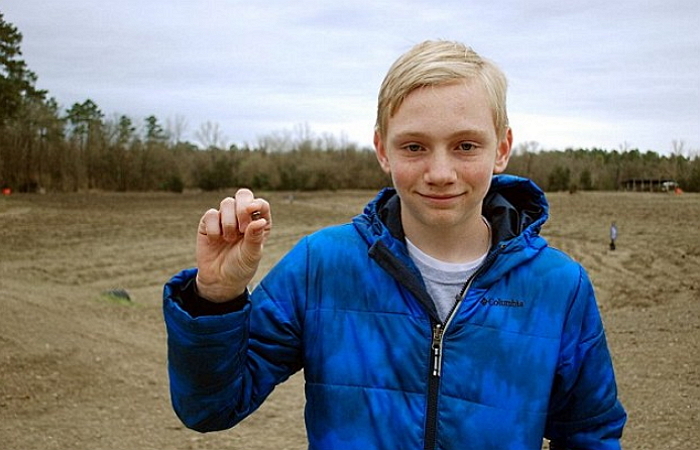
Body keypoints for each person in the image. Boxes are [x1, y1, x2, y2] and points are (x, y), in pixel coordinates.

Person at [163, 40, 626, 449]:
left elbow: (589, 433)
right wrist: (217, 298)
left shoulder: (559, 287)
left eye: (466, 146)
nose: (440, 172)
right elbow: (210, 409)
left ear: (501, 148)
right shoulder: (321, 266)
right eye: (414, 147)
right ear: (382, 149)